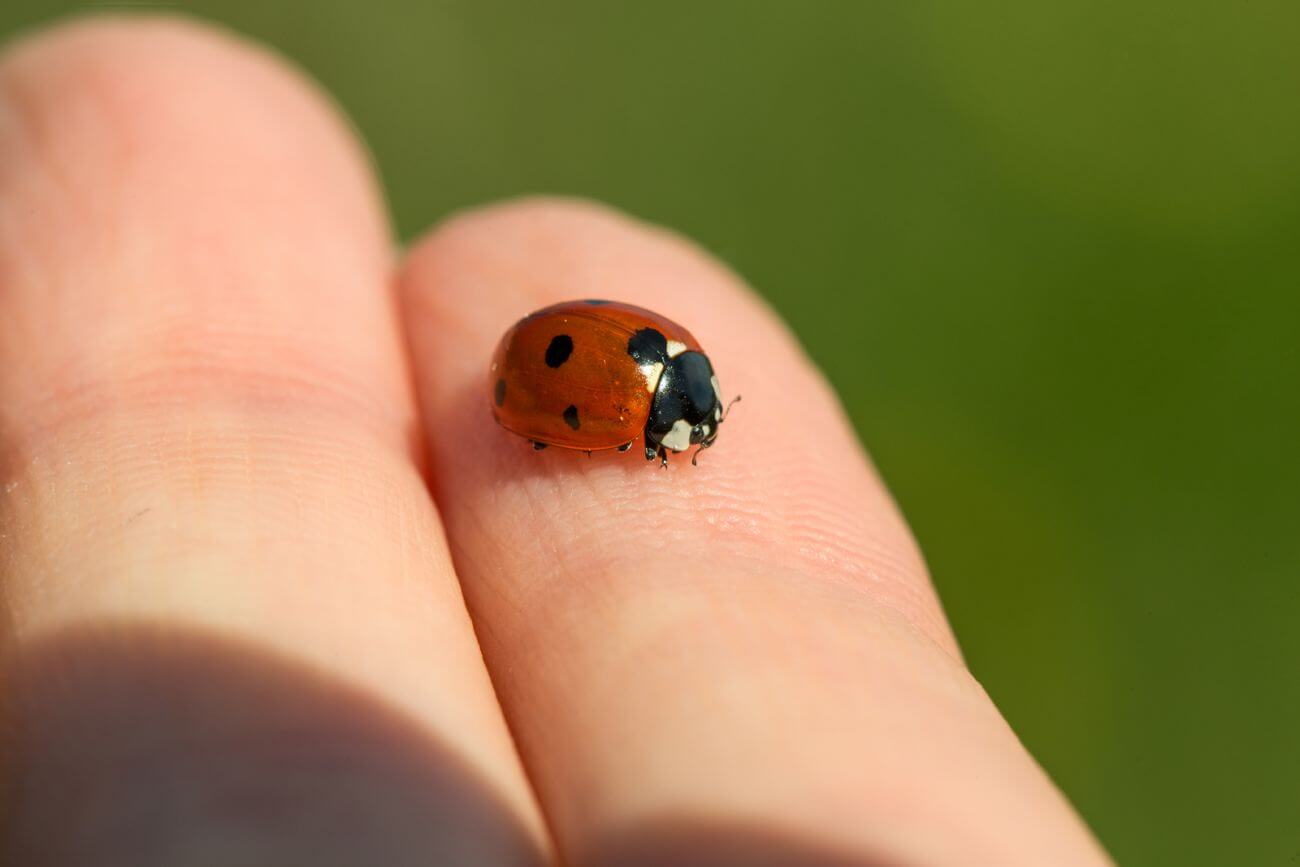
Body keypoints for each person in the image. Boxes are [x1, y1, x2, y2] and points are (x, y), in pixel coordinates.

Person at [0, 16, 1111, 866]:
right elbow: (577, 390)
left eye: (689, 425)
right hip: (526, 368)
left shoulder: (657, 373)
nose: (689, 437)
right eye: (688, 428)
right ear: (677, 408)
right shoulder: (632, 393)